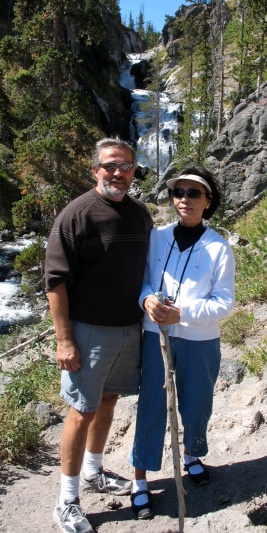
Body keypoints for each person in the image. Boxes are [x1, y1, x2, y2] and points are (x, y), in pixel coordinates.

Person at [45, 137, 153, 533]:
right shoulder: (77, 215)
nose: (118, 173)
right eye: (110, 165)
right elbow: (55, 282)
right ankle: (66, 501)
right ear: (95, 170)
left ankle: (93, 471)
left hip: (129, 327)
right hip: (88, 332)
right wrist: (64, 339)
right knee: (81, 410)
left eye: (126, 166)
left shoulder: (141, 215)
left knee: (108, 400)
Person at [130, 165, 235, 519]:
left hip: (200, 339)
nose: (184, 200)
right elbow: (144, 280)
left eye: (194, 193)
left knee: (197, 402)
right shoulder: (157, 237)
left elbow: (224, 302)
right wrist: (147, 300)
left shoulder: (219, 248)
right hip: (154, 335)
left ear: (208, 202)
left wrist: (183, 313)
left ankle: (191, 454)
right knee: (151, 404)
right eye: (179, 193)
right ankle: (140, 479)